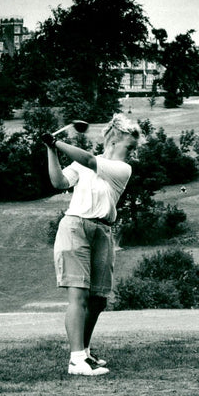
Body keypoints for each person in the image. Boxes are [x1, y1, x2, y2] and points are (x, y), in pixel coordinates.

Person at [42, 114, 141, 376]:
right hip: (75, 227)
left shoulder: (121, 169)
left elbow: (87, 159)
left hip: (103, 232)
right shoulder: (86, 164)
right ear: (114, 138)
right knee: (79, 295)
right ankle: (76, 360)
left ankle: (84, 352)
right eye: (129, 146)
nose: (131, 151)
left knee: (98, 300)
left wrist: (57, 142)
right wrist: (51, 150)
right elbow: (59, 183)